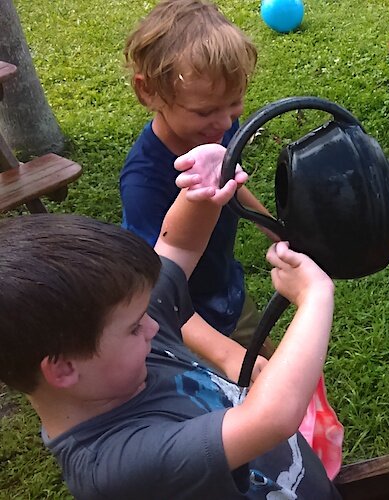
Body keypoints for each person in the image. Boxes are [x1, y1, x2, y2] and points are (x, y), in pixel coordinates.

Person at [0, 144, 340, 499]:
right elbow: (272, 418)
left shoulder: (113, 342)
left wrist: (204, 189)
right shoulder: (116, 464)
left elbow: (178, 247)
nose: (153, 325)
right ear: (63, 368)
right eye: (134, 327)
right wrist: (315, 295)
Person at [120, 0, 273, 349]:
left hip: (226, 291)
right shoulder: (143, 182)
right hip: (180, 322)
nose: (224, 123)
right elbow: (156, 293)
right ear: (148, 92)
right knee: (229, 394)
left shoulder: (216, 130)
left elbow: (231, 179)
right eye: (205, 111)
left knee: (267, 363)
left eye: (234, 104)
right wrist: (228, 356)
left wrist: (277, 231)